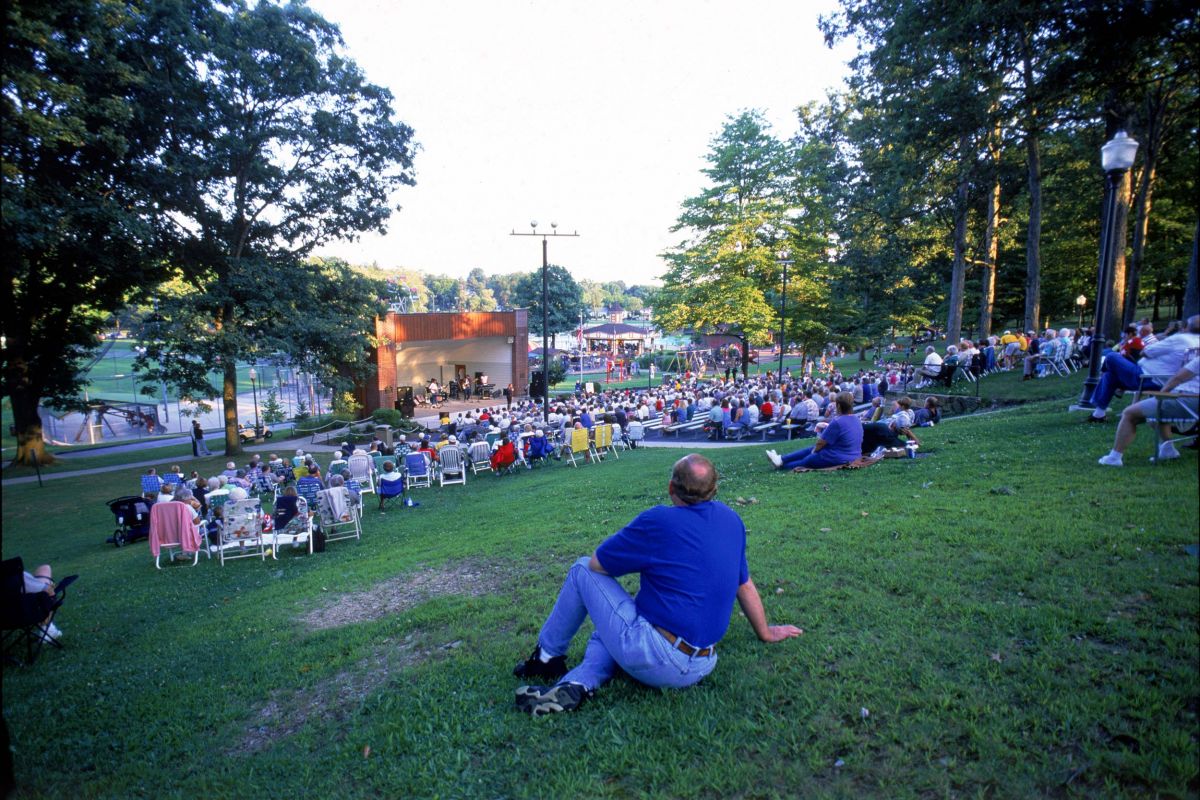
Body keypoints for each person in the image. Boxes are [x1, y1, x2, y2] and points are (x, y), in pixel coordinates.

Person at [511, 454, 802, 716]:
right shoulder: (731, 519)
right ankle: (578, 683)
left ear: (670, 488)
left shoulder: (659, 521)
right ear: (715, 490)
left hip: (658, 656)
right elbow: (745, 584)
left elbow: (597, 565)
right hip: (703, 661)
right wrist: (764, 632)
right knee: (605, 634)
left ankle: (546, 658)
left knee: (579, 569)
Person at [1086, 315, 1199, 422]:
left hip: (1147, 378)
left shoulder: (1180, 339)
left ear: (1187, 327)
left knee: (1111, 357)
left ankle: (1109, 380)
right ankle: (1098, 415)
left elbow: (1145, 352)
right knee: (1111, 375)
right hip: (1166, 380)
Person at [1098, 356, 1198, 466]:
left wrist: (1161, 395)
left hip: (1188, 399)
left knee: (1129, 413)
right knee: (1157, 410)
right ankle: (1168, 450)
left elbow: (1177, 378)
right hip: (1190, 399)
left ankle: (1114, 458)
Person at [766, 393, 863, 470]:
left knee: (808, 459)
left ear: (838, 406)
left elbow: (821, 443)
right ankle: (781, 459)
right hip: (853, 456)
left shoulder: (838, 422)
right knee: (811, 450)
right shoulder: (856, 419)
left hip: (838, 458)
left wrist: (814, 452)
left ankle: (781, 465)